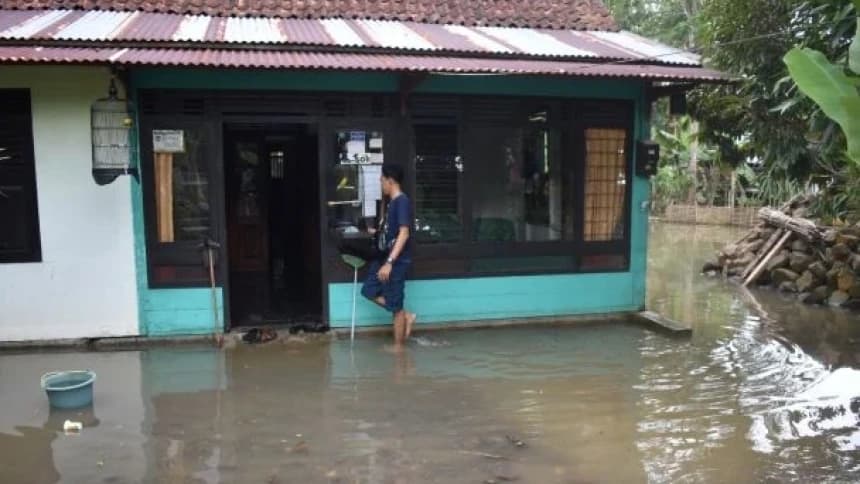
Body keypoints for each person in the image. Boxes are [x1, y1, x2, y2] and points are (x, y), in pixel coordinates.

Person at [361, 164, 417, 349]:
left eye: (382, 179)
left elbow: (404, 233)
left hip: (396, 261)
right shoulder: (392, 202)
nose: (380, 182)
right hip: (383, 258)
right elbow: (391, 232)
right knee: (369, 291)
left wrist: (390, 263)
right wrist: (376, 231)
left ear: (390, 181)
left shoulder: (401, 201)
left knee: (396, 306)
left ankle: (399, 349)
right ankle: (405, 315)